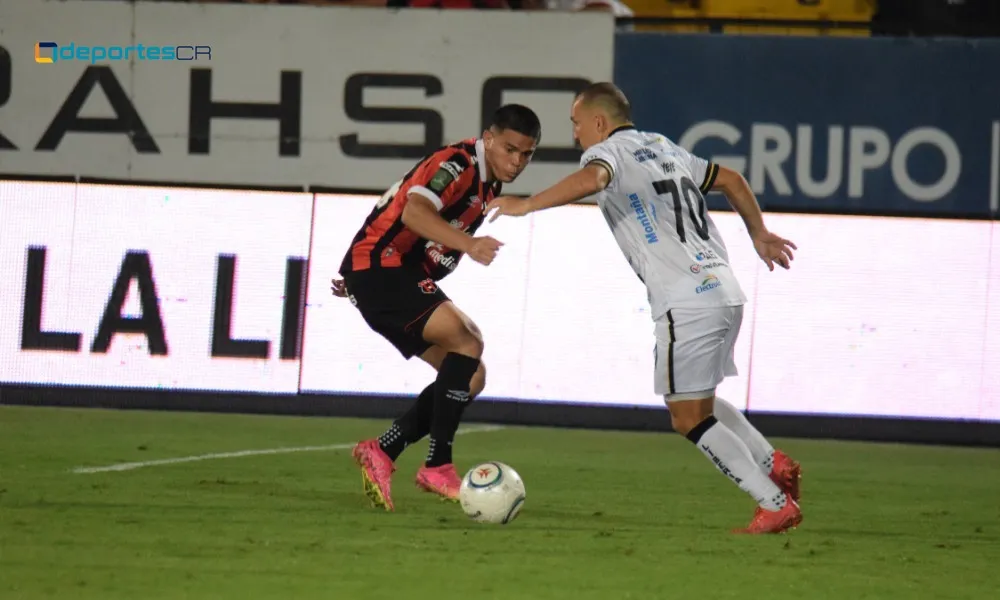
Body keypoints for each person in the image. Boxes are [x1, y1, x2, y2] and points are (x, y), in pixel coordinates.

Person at [486, 82, 802, 534]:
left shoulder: (607, 154)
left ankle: (773, 501)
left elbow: (594, 179)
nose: (575, 134)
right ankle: (773, 463)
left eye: (576, 124)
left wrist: (530, 203)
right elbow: (731, 179)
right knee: (700, 400)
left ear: (598, 122)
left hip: (685, 298)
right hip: (724, 289)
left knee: (686, 417)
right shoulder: (664, 147)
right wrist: (759, 233)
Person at [331, 104, 541, 511]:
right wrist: (469, 245)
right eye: (510, 150)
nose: (516, 162)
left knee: (471, 377)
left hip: (383, 274)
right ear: (490, 138)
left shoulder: (487, 183)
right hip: (384, 267)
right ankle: (437, 465)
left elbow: (389, 212)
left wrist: (360, 278)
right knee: (468, 339)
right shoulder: (458, 164)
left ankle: (383, 450)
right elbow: (413, 211)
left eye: (526, 155)